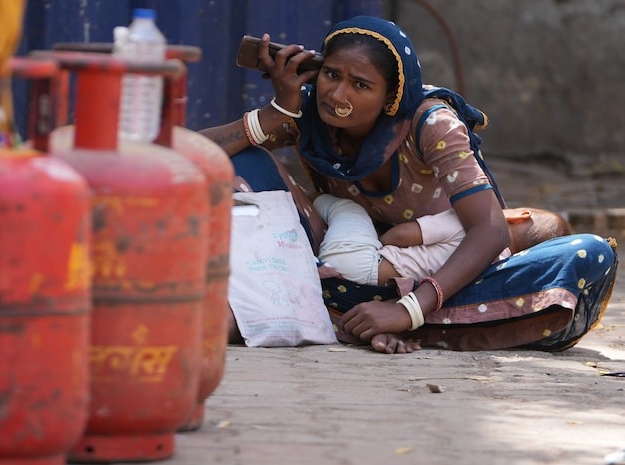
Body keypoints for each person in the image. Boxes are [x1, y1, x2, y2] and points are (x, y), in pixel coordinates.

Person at [201, 16, 618, 354]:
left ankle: (350, 315)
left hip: (431, 274)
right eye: (330, 74)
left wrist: (409, 311)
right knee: (242, 157)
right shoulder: (306, 111)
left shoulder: (430, 123)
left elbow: (488, 230)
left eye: (360, 84)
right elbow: (188, 154)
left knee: (576, 247)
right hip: (341, 260)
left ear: (390, 99)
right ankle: (352, 313)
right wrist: (275, 115)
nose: (337, 94)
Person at [315, 193, 573, 286]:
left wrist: (381, 239)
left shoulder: (471, 221)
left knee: (348, 209)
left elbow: (403, 235)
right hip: (371, 283)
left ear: (519, 215)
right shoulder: (497, 264)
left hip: (360, 259)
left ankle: (307, 200)